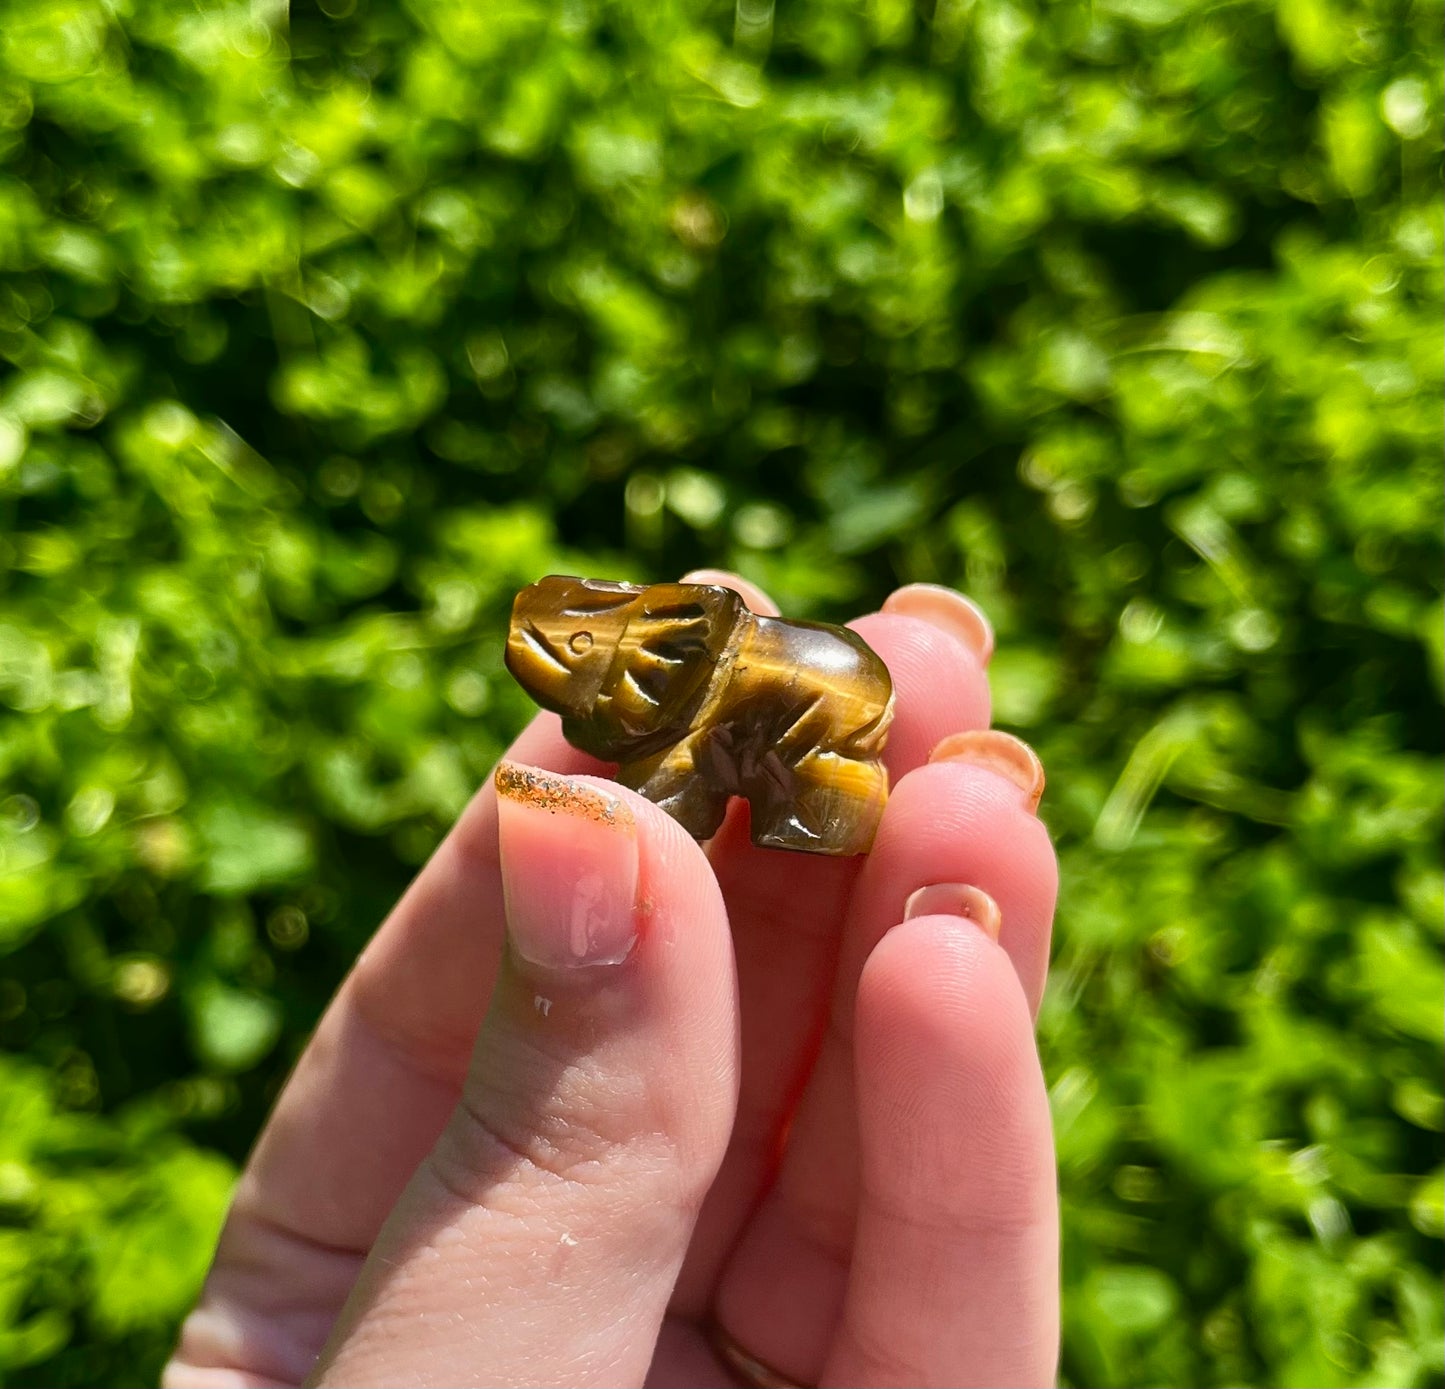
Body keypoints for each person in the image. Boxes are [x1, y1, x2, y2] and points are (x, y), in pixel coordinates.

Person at [164, 573, 1060, 1389]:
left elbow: (672, 785)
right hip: (800, 688)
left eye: (578, 653)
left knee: (788, 798)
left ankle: (820, 801)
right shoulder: (675, 675)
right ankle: (815, 800)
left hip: (818, 703)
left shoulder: (692, 681)